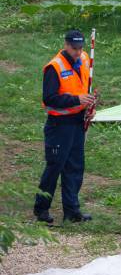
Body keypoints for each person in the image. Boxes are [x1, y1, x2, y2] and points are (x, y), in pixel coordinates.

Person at [34, 29, 95, 224]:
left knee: (75, 167)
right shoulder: (54, 67)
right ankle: (41, 210)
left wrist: (88, 106)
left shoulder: (84, 59)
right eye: (74, 48)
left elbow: (84, 86)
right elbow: (49, 99)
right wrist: (77, 99)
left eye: (80, 48)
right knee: (54, 167)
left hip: (77, 122)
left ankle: (72, 211)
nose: (78, 52)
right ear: (66, 45)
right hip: (59, 126)